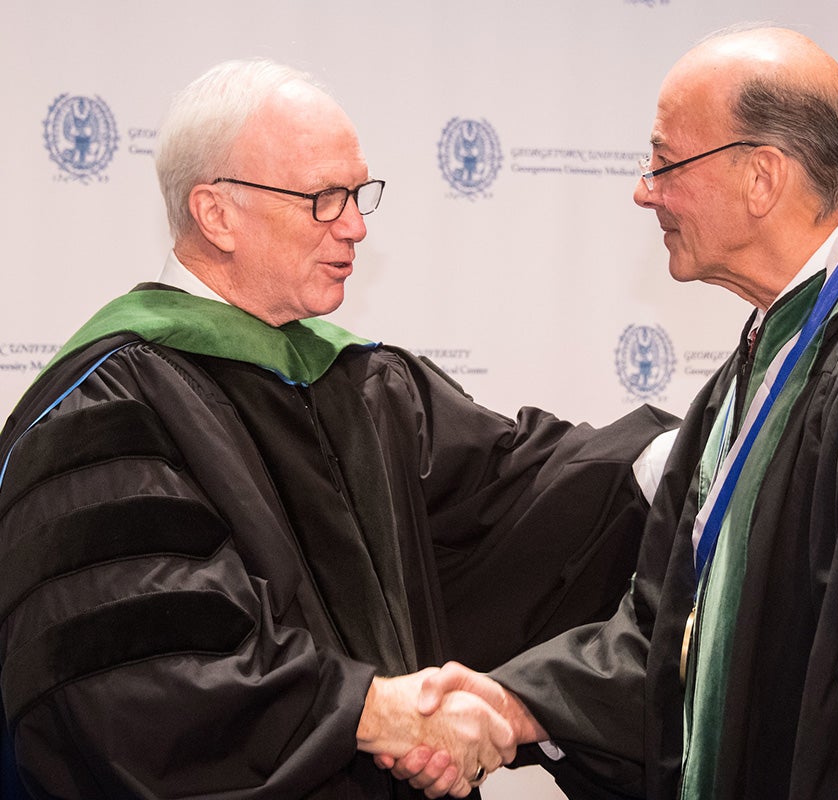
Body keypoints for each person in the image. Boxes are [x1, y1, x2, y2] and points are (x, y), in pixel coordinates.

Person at [0, 59, 679, 799]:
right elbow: (138, 674)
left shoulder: (362, 384)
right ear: (216, 212)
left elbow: (524, 494)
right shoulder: (106, 408)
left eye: (357, 194)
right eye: (323, 198)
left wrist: (711, 451)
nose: (355, 225)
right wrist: (369, 711)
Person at [396, 24, 838, 799]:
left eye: (665, 163)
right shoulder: (755, 370)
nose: (644, 189)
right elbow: (669, 628)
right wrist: (513, 706)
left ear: (762, 177)